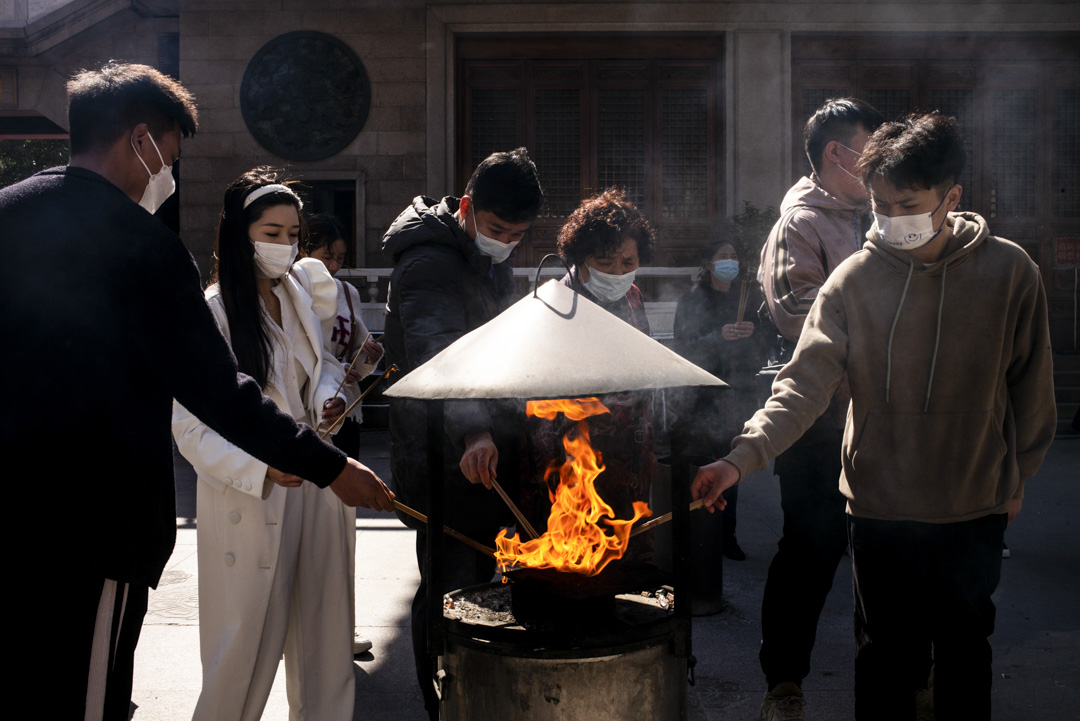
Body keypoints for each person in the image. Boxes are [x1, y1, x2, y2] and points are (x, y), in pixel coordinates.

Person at [0, 63, 393, 721]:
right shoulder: (144, 247)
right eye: (171, 157)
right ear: (142, 140)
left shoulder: (8, 215)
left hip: (16, 513)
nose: (167, 177)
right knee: (86, 696)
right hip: (94, 523)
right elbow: (216, 391)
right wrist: (327, 463)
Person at [692, 111, 1056, 721]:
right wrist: (740, 458)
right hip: (880, 511)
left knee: (965, 659)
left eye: (906, 204)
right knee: (884, 662)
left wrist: (1017, 476)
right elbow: (802, 386)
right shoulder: (853, 281)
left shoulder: (1010, 272)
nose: (890, 222)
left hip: (972, 507)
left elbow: (1032, 392)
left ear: (952, 196)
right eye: (880, 205)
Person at [172, 169, 364, 721]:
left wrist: (328, 398)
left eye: (292, 235)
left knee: (327, 639)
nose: (284, 246)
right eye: (270, 232)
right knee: (244, 653)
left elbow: (321, 364)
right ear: (239, 233)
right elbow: (188, 427)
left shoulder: (300, 293)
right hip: (253, 493)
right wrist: (259, 468)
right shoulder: (213, 312)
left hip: (317, 476)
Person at [381, 147, 543, 720]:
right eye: (498, 229)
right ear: (468, 207)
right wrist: (475, 430)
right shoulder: (429, 262)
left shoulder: (483, 256)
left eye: (518, 236)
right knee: (452, 590)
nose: (506, 243)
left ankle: (480, 697)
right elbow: (438, 356)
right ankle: (445, 704)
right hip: (442, 454)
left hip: (485, 450)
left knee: (479, 580)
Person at [752, 97, 885, 720]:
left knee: (884, 554)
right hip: (816, 422)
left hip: (883, 422)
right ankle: (783, 682)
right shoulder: (801, 224)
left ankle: (894, 682)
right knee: (809, 551)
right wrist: (886, 329)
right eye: (872, 145)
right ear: (838, 153)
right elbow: (796, 311)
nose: (882, 158)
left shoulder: (883, 215)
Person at [522, 187, 656, 556]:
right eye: (605, 262)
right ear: (579, 258)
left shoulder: (633, 297)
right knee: (573, 556)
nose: (618, 273)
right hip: (572, 456)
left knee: (624, 555)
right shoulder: (556, 305)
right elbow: (539, 391)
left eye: (628, 263)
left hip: (629, 448)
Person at [299, 212, 383, 657]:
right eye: (325, 255)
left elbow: (359, 359)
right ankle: (299, 627)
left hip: (344, 416)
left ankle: (340, 625)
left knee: (341, 529)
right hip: (305, 422)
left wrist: (368, 355)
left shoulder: (348, 294)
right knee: (303, 530)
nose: (333, 266)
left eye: (340, 258)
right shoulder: (291, 293)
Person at [673, 237, 767, 561]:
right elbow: (683, 348)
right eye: (723, 256)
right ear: (709, 263)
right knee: (700, 464)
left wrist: (755, 332)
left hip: (739, 392)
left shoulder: (751, 297)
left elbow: (768, 342)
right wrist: (718, 337)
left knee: (731, 463)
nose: (730, 261)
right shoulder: (692, 300)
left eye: (734, 255)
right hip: (704, 396)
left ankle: (728, 535)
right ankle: (697, 534)